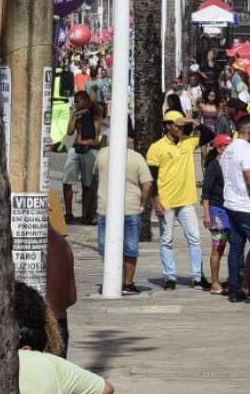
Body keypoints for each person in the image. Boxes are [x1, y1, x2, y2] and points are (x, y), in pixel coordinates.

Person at [144, 111, 203, 291]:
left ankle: (198, 277)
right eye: (177, 125)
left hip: (186, 200)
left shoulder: (189, 141)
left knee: (195, 238)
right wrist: (156, 200)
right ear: (167, 126)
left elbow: (208, 134)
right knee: (166, 240)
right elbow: (151, 177)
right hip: (166, 201)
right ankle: (169, 277)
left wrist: (192, 121)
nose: (181, 128)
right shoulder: (156, 148)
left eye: (182, 125)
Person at [93, 128, 152, 295]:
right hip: (131, 208)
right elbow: (147, 184)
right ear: (130, 139)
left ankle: (111, 277)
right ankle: (128, 283)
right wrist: (143, 204)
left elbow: (95, 175)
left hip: (105, 208)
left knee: (106, 246)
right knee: (131, 247)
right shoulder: (137, 157)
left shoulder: (102, 154)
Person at [220, 118, 250, 304]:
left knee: (237, 246)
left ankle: (235, 289)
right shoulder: (247, 150)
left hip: (230, 204)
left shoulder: (229, 150)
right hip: (245, 206)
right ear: (249, 130)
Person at [200, 133, 230, 294]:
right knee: (217, 248)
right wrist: (207, 215)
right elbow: (206, 193)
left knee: (228, 246)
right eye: (227, 146)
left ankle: (230, 280)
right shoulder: (213, 166)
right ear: (219, 148)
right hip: (217, 209)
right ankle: (215, 282)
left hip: (229, 209)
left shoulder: (229, 164)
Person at [64, 92, 99, 225]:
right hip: (76, 148)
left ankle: (85, 214)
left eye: (78, 101)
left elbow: (98, 109)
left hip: (89, 149)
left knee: (87, 184)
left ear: (85, 101)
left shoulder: (94, 113)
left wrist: (92, 101)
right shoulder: (77, 114)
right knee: (67, 181)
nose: (75, 104)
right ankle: (68, 213)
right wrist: (74, 116)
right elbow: (69, 132)